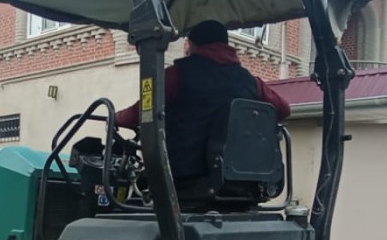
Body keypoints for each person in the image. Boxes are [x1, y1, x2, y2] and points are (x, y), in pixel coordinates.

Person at [114, 19, 290, 180]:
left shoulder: (177, 75)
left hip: (184, 174)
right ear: (227, 46)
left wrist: (117, 118)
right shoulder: (252, 82)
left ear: (192, 44)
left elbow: (143, 111)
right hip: (241, 177)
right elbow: (283, 109)